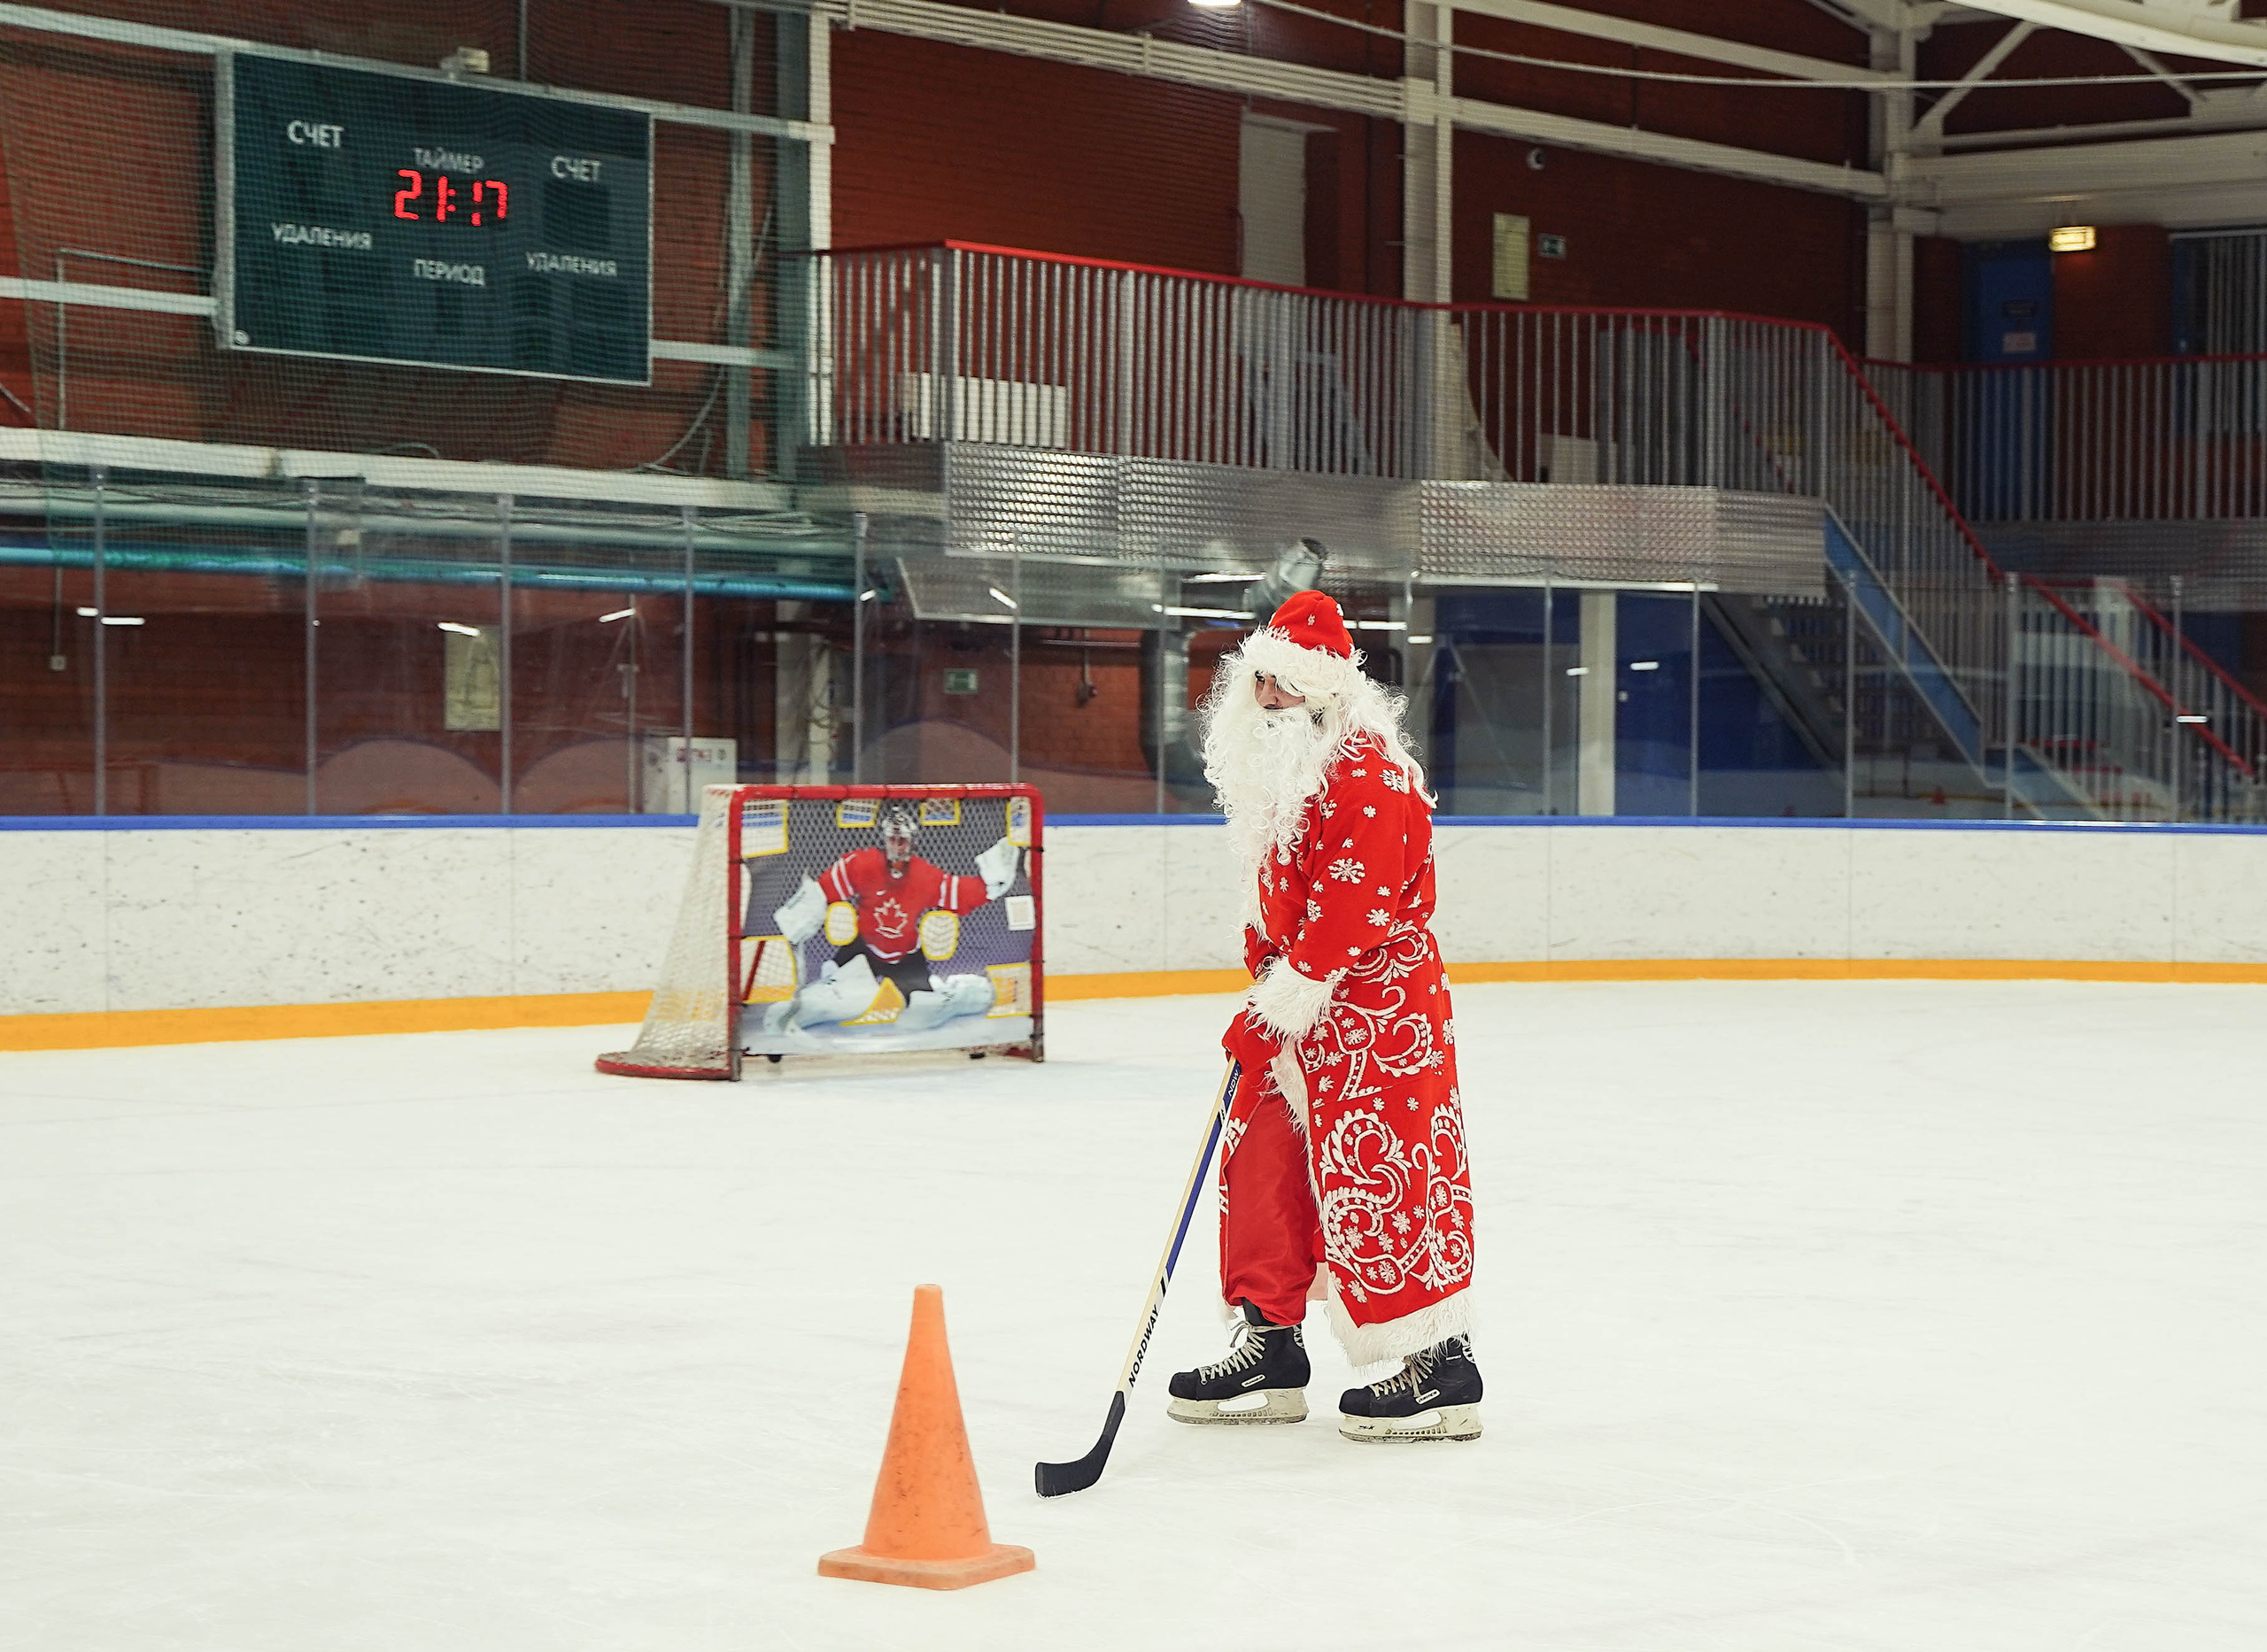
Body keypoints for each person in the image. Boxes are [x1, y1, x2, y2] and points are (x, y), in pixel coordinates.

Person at [1165, 589, 1481, 1443]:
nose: (1265, 701)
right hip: (1297, 1009)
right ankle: (1271, 1345)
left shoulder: (1370, 774)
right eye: (1257, 683)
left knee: (1388, 1173)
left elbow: (1353, 908)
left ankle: (1440, 1365)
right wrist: (1264, 974)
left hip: (1378, 1013)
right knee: (1260, 1161)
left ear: (1327, 689)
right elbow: (1283, 892)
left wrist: (1278, 1005)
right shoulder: (1291, 777)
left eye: (1282, 686)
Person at [764, 804, 1021, 1033]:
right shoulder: (861, 865)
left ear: (913, 842)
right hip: (863, 949)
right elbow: (823, 891)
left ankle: (964, 992)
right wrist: (799, 917)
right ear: (884, 840)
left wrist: (991, 885)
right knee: (843, 999)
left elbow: (960, 894)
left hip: (907, 956)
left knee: (922, 1013)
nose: (898, 846)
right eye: (893, 839)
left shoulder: (924, 876)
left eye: (903, 840)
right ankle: (800, 1010)